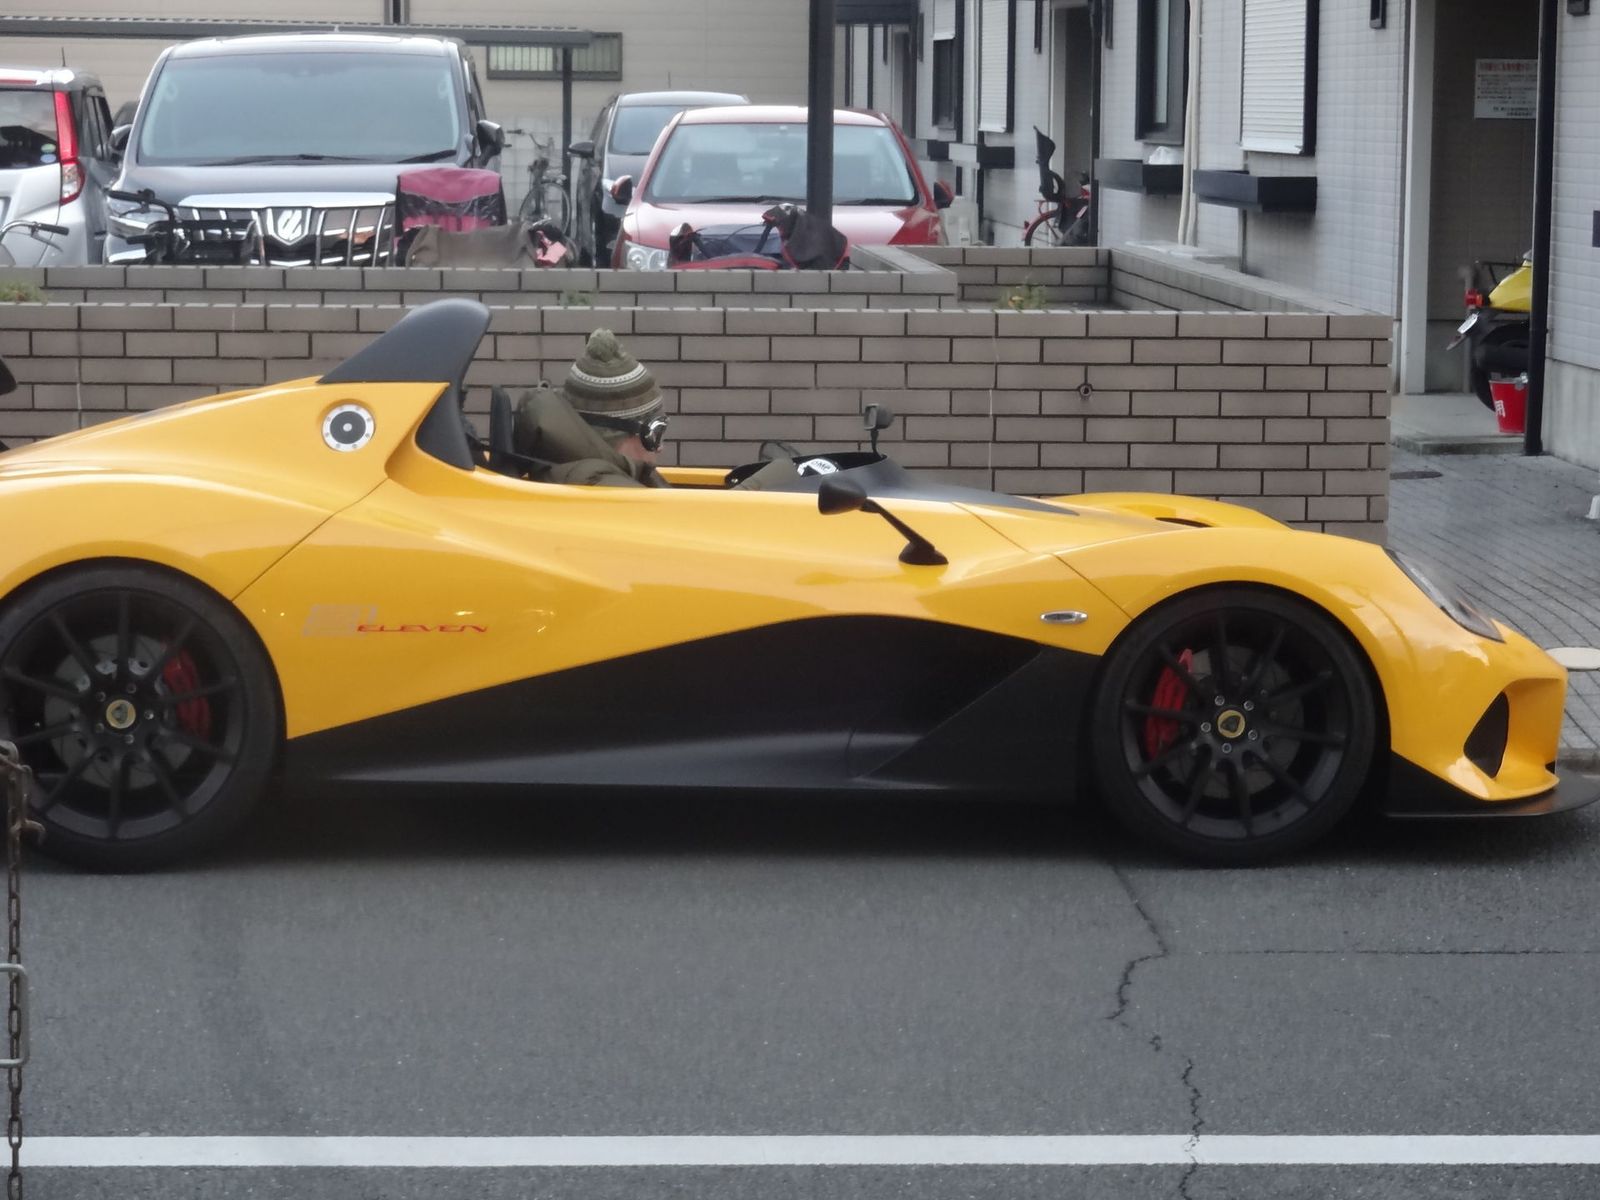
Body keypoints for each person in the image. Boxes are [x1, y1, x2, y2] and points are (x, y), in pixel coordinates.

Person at [512, 328, 671, 488]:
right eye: (655, 432)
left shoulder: (571, 469)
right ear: (612, 434)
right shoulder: (612, 491)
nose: (660, 448)